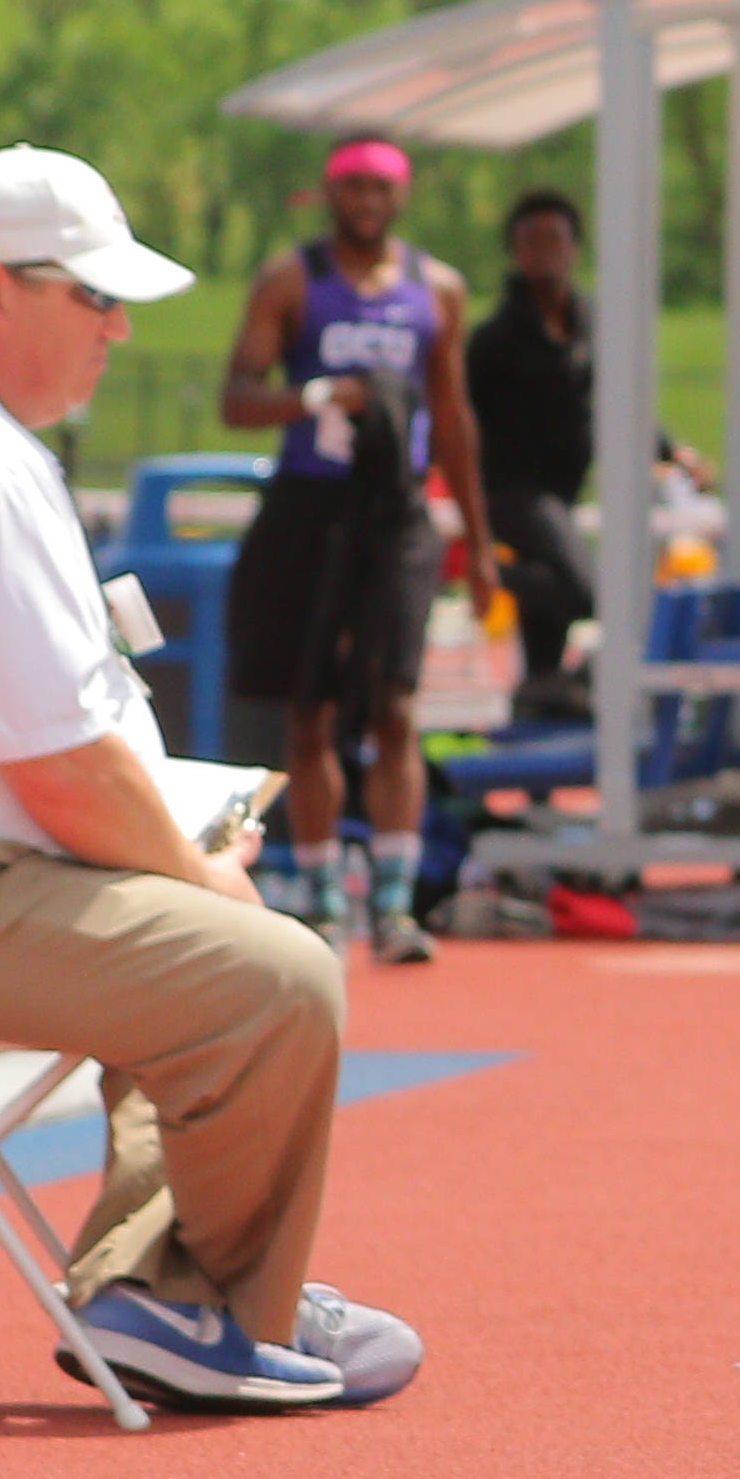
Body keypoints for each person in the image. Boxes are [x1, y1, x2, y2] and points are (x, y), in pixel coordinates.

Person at [0, 144, 419, 1412]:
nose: (119, 329)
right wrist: (203, 877)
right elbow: (62, 773)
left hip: (12, 862)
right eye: (94, 297)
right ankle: (203, 1306)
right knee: (271, 974)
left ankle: (158, 1290)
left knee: (191, 945)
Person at [216, 137, 498, 967]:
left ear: (401, 197)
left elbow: (452, 418)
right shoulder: (291, 280)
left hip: (397, 513)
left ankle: (399, 904)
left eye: (382, 188)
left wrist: (479, 545)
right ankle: (329, 902)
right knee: (308, 711)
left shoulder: (436, 289)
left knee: (397, 705)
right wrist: (311, 396)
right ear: (331, 195)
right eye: (353, 188)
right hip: (311, 508)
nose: (367, 202)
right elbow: (236, 396)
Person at [461, 188, 600, 725]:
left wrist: (668, 450)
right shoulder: (494, 340)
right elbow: (460, 419)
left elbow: (609, 398)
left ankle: (537, 705)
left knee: (548, 620)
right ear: (514, 252)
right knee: (589, 593)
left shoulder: (590, 326)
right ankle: (488, 575)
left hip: (562, 493)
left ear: (575, 249)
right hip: (514, 493)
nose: (543, 251)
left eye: (554, 240)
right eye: (530, 241)